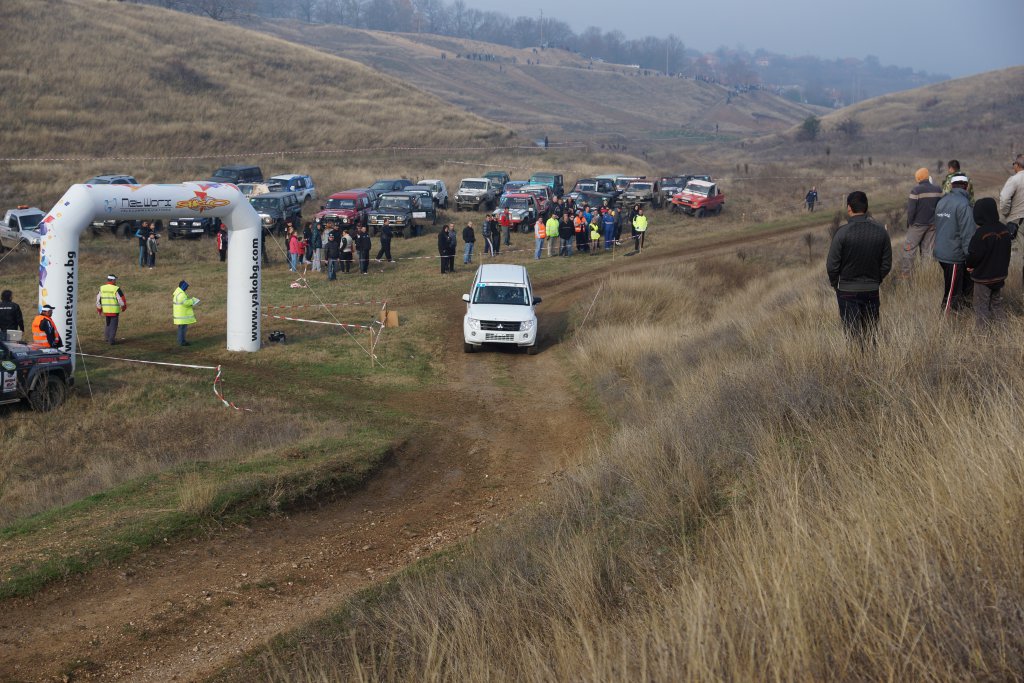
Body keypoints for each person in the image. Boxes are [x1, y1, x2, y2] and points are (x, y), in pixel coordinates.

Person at [826, 191, 892, 343]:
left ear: (849, 208)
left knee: (853, 337)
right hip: (872, 290)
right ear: (866, 207)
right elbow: (886, 264)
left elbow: (832, 266)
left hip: (847, 291)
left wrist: (836, 285)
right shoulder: (881, 232)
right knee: (871, 334)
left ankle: (856, 358)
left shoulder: (842, 233)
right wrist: (876, 280)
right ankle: (870, 357)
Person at [966, 198, 1013, 328]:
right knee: (996, 304)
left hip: (983, 278)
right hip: (1000, 276)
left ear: (978, 215)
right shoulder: (1004, 230)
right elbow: (1007, 252)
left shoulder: (981, 234)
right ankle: (1004, 331)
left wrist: (969, 264)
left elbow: (974, 256)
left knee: (981, 306)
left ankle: (982, 335)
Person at [934, 174, 975, 312]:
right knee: (952, 295)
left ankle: (961, 316)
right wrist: (971, 259)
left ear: (952, 186)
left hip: (942, 252)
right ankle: (944, 322)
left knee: (958, 290)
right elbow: (968, 235)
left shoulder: (942, 202)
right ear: (966, 186)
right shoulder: (964, 204)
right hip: (954, 256)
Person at [902, 167, 942, 276]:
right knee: (928, 252)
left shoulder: (915, 191)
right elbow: (940, 207)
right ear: (927, 176)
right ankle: (927, 276)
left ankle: (906, 275)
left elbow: (911, 211)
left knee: (909, 250)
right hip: (932, 226)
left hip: (917, 225)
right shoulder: (938, 189)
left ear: (918, 178)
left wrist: (910, 223)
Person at [95, 274, 127, 345]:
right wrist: (123, 307)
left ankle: (107, 338)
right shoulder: (116, 288)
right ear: (113, 280)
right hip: (114, 311)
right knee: (113, 326)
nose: (115, 281)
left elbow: (98, 300)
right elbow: (121, 299)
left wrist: (99, 309)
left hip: (106, 310)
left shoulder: (102, 288)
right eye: (115, 280)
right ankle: (111, 341)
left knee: (108, 324)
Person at [998, 154, 1024, 237]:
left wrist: (1006, 212)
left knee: (1018, 244)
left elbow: (1004, 198)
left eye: (1014, 164)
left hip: (1017, 221)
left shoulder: (1014, 179)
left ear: (1017, 165)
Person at [172, 280, 199, 346]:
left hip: (180, 315)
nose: (186, 288)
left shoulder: (178, 293)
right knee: (182, 329)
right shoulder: (181, 294)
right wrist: (193, 300)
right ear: (183, 287)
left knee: (181, 329)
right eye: (186, 287)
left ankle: (181, 341)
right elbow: (186, 302)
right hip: (182, 316)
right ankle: (182, 342)